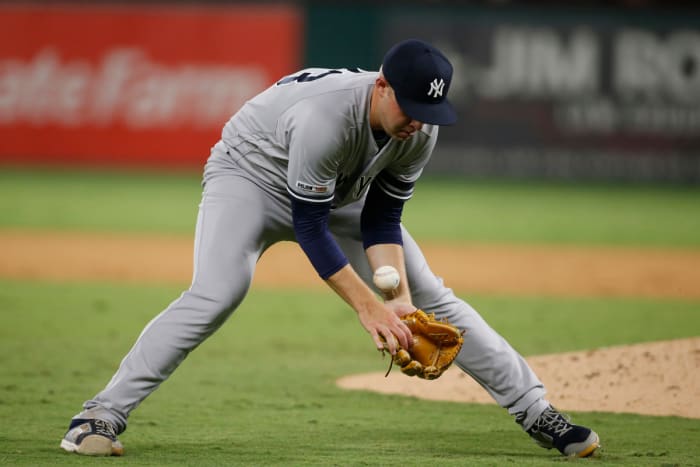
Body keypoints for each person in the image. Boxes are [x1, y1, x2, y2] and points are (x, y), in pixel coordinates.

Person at [60, 39, 600, 458]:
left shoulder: (420, 129)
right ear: (382, 86)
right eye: (409, 105)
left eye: (427, 112)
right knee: (218, 291)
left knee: (432, 295)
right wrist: (369, 309)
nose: (417, 121)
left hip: (339, 190)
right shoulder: (325, 118)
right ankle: (98, 415)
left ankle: (538, 412)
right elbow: (311, 228)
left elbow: (384, 217)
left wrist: (399, 301)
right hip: (249, 177)